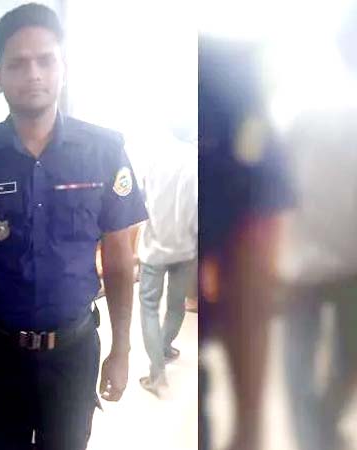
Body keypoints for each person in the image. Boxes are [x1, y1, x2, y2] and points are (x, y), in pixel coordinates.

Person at [0, 4, 148, 449]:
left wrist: (121, 350)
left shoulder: (104, 150)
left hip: (74, 352)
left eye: (45, 60)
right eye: (17, 64)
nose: (33, 73)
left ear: (63, 68)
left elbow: (120, 260)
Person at [198, 37, 294, 450]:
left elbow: (251, 263)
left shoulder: (225, 76)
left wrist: (250, 426)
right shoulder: (225, 75)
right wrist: (249, 426)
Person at [277, 7, 357, 450]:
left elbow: (278, 188)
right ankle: (323, 428)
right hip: (345, 261)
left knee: (298, 359)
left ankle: (314, 434)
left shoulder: (303, 107)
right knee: (348, 357)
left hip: (302, 257)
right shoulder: (309, 106)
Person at [136, 130, 197, 397]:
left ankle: (157, 375)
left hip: (154, 248)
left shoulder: (152, 156)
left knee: (149, 307)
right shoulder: (195, 160)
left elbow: (138, 198)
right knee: (176, 305)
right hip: (185, 248)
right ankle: (165, 346)